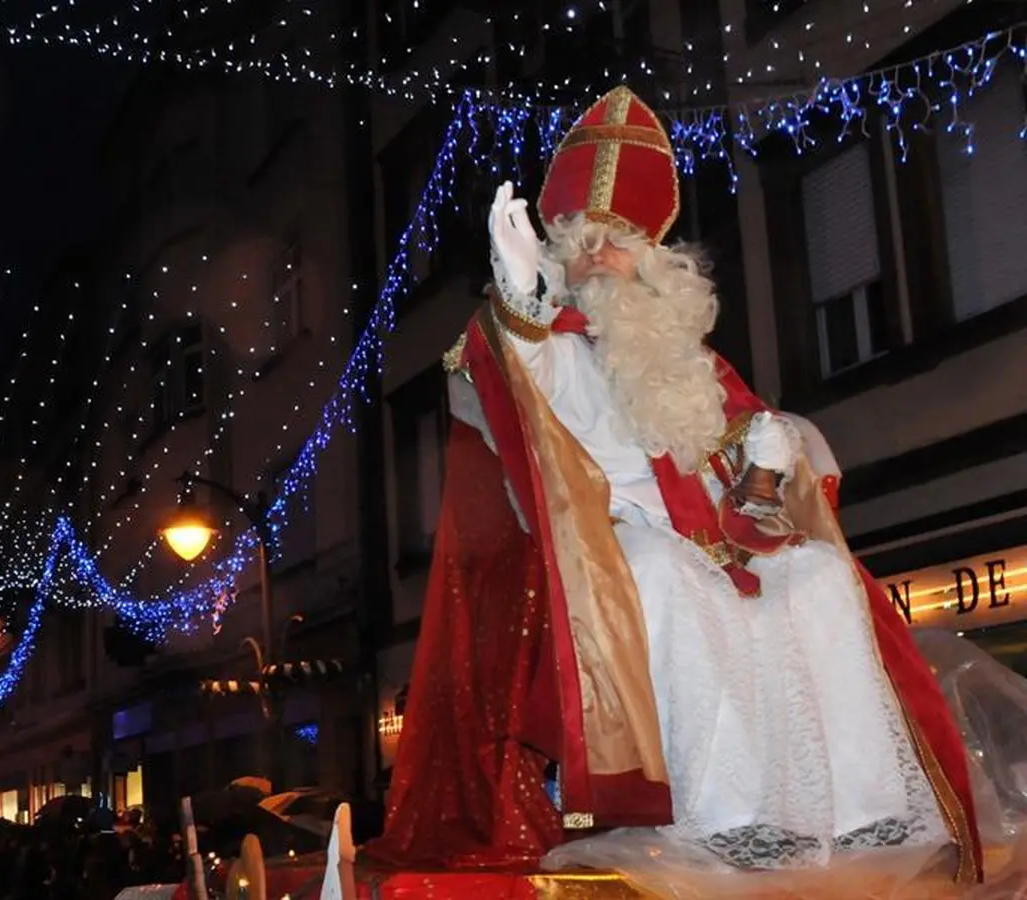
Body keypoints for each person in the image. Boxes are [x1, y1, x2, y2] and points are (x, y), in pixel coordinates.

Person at [365, 86, 988, 890]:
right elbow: (504, 369)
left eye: (616, 243)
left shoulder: (694, 367)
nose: (597, 259)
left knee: (821, 576)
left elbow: (749, 478)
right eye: (580, 244)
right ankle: (736, 820)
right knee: (665, 576)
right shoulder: (559, 353)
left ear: (659, 265)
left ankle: (867, 805)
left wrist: (767, 458)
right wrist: (517, 293)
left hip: (727, 540)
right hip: (621, 542)